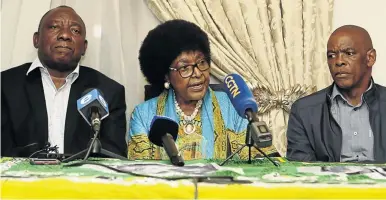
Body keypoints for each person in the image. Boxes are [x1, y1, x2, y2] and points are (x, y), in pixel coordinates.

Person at [127, 19, 278, 160]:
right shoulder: (143, 114)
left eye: (202, 62)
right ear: (166, 75)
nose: (198, 73)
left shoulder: (233, 105)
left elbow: (259, 164)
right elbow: (140, 173)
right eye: (185, 67)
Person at [1, 5, 127, 157]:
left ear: (84, 47)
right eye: (54, 27)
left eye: (75, 30)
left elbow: (113, 157)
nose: (65, 35)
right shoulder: (5, 86)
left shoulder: (108, 92)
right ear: (36, 39)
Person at [286, 25, 386, 163]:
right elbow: (301, 168)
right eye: (331, 56)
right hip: (329, 184)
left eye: (349, 53)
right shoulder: (304, 111)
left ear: (370, 58)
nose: (338, 61)